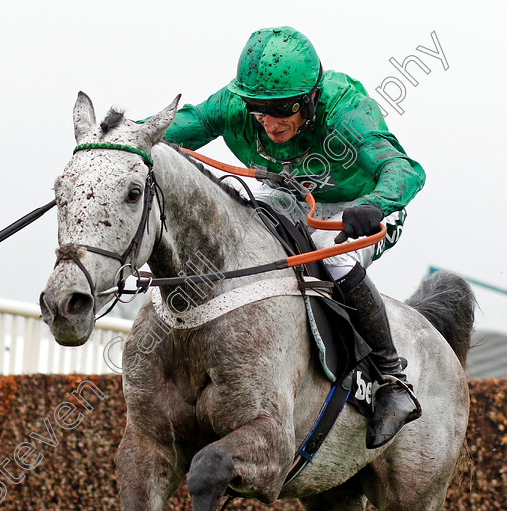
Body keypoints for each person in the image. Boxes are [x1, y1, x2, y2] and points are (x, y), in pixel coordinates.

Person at [162, 26, 424, 449]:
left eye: (281, 109)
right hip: (289, 198)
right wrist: (118, 140)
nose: (267, 122)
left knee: (331, 257)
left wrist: (375, 202)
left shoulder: (347, 111)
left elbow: (406, 169)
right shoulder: (234, 104)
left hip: (356, 209)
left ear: (310, 99)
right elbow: (175, 127)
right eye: (256, 108)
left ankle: (393, 380)